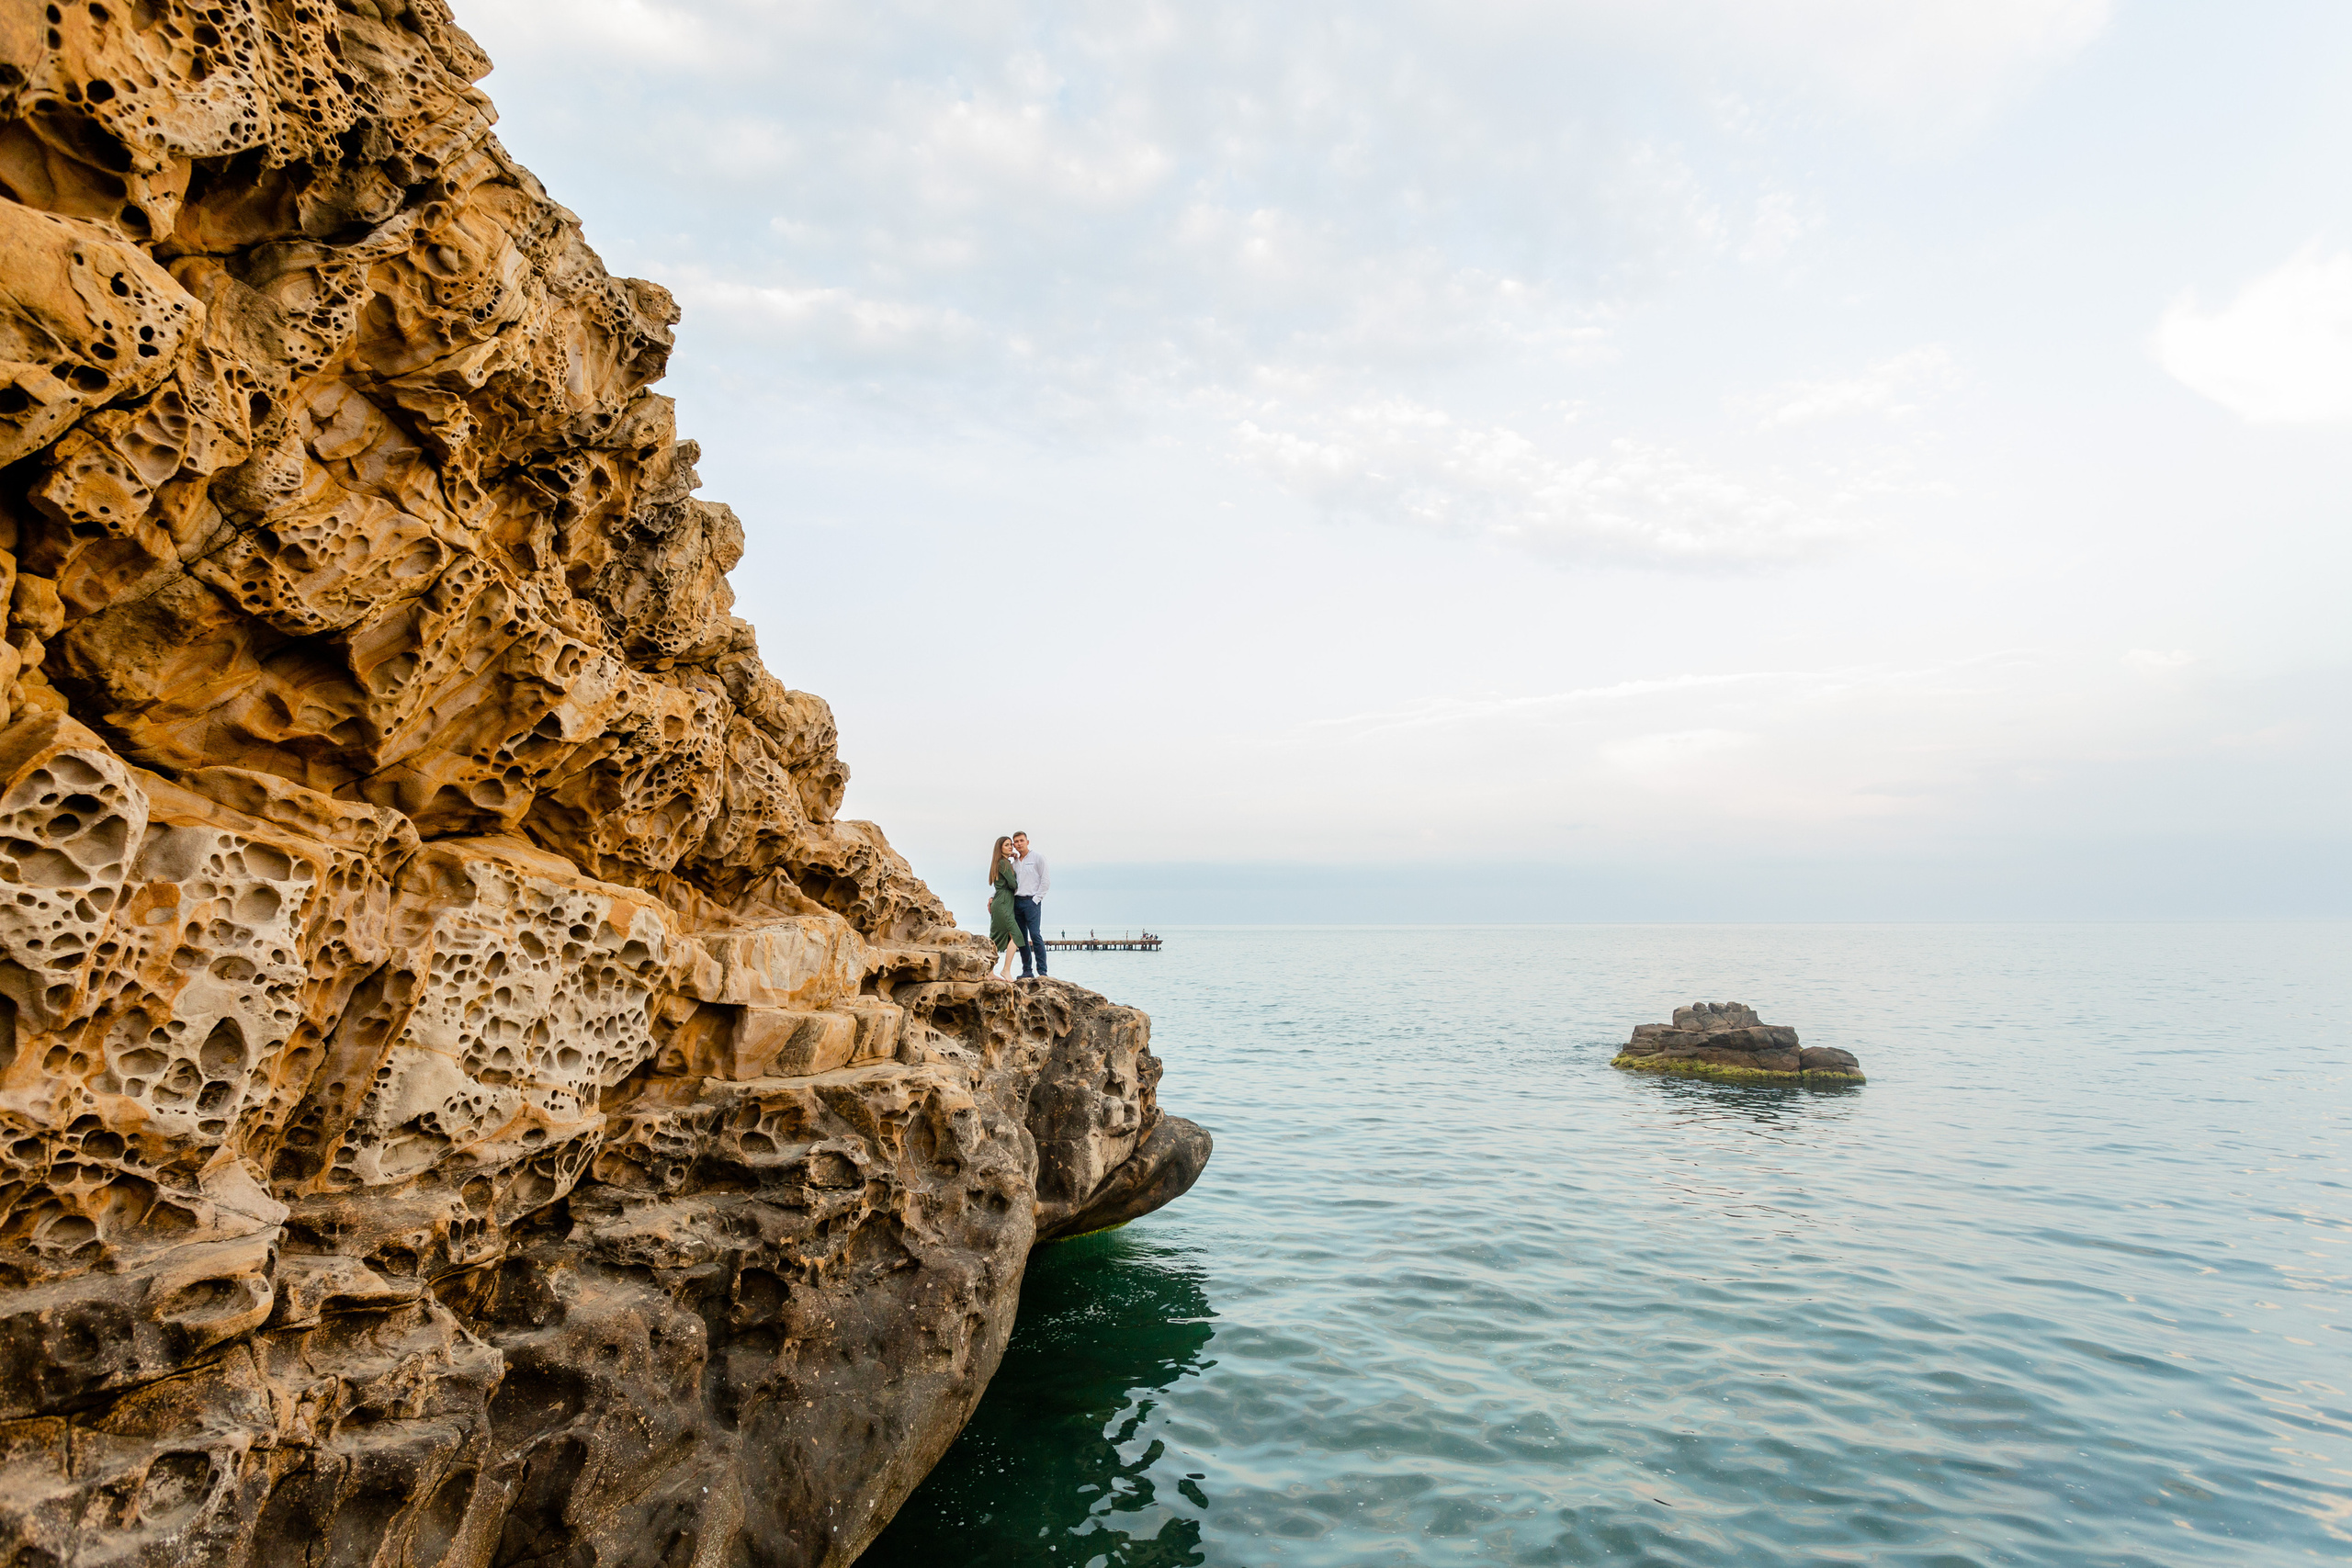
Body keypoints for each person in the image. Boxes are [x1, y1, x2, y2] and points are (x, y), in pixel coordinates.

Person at [1011, 830, 1050, 980]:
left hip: (1032, 901)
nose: (1019, 843)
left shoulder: (1038, 858)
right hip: (1017, 902)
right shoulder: (1014, 863)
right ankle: (1027, 970)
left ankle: (1042, 971)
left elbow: (1045, 881)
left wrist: (1036, 900)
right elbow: (1008, 884)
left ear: (1027, 841)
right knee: (1021, 938)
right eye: (1016, 841)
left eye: (1021, 840)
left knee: (1035, 935)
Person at [985, 835, 1021, 980]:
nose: (1011, 847)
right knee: (1017, 937)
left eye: (1011, 845)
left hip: (1000, 901)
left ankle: (989, 972)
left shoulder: (999, 862)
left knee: (996, 938)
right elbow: (1013, 884)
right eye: (1007, 845)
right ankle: (1006, 970)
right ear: (1000, 848)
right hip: (1004, 902)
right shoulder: (1004, 864)